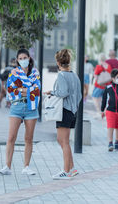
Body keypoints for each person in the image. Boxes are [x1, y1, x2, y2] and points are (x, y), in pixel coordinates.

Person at [0, 48, 41, 176]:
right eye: (20, 59)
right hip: (16, 107)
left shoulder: (35, 73)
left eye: (25, 58)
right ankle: (7, 166)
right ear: (17, 60)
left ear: (29, 58)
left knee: (28, 138)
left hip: (31, 108)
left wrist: (23, 90)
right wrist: (27, 90)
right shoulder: (14, 73)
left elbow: (36, 89)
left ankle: (26, 166)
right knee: (11, 137)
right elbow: (10, 90)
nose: (23, 61)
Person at [44, 49, 82, 179]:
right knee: (63, 140)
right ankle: (72, 168)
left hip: (64, 111)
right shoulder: (74, 75)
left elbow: (63, 92)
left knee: (63, 141)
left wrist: (52, 92)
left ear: (58, 62)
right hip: (73, 111)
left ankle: (66, 171)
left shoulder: (61, 75)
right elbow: (79, 95)